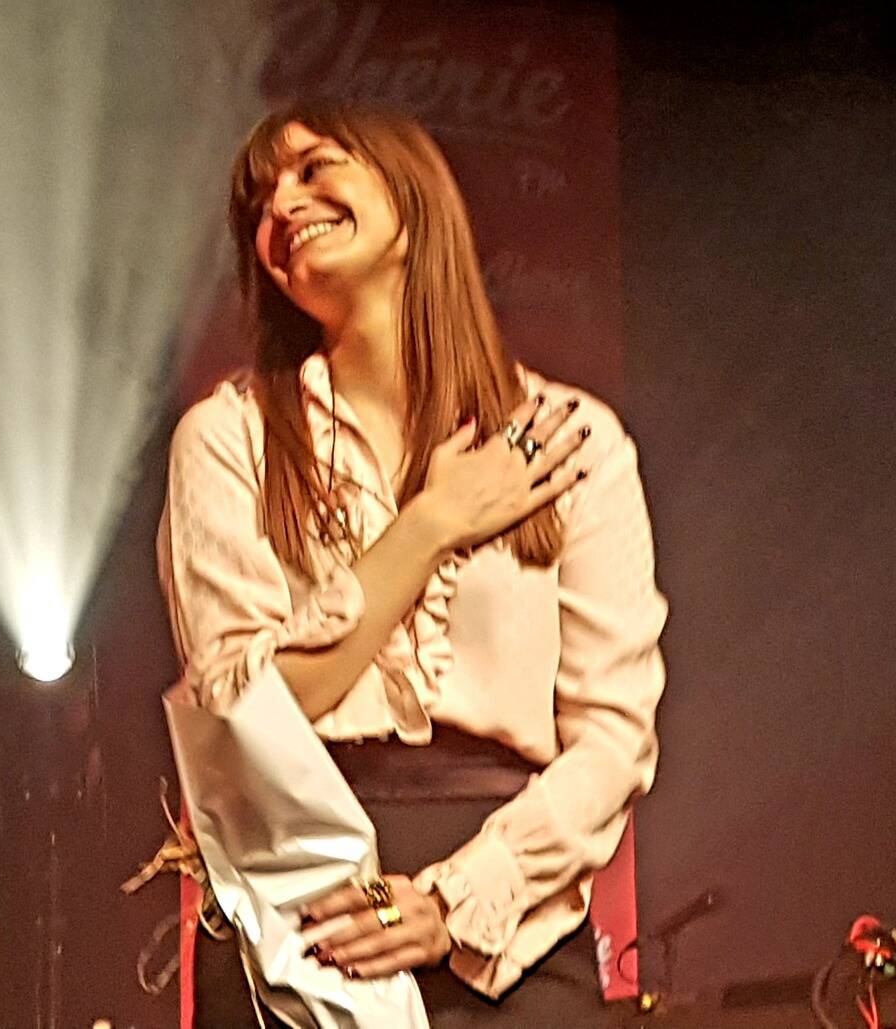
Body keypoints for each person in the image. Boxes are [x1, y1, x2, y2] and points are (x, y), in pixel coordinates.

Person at [158, 102, 667, 1026]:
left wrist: (455, 900)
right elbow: (248, 709)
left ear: (411, 190)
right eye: (261, 199)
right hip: (297, 894)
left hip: (510, 923)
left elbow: (614, 737)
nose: (283, 201)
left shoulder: (572, 441)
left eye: (314, 167)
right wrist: (431, 522)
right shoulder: (227, 437)